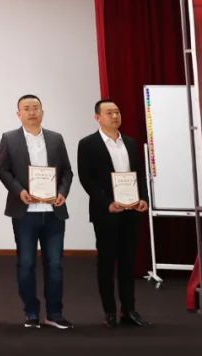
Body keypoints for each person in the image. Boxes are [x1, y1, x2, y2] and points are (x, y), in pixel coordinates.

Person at [0, 94, 74, 329]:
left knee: (55, 264)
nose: (32, 112)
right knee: (26, 263)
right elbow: (3, 171)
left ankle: (54, 313)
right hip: (25, 212)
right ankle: (31, 312)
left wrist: (62, 192)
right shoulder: (9, 138)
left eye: (36, 108)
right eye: (27, 108)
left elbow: (67, 171)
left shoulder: (56, 138)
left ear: (42, 112)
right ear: (18, 113)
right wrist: (19, 191)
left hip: (53, 211)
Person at [77, 99, 151, 328]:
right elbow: (87, 180)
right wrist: (107, 203)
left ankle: (129, 310)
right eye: (109, 113)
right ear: (97, 117)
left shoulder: (130, 142)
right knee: (107, 262)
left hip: (131, 210)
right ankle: (109, 311)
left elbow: (140, 175)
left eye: (117, 112)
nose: (115, 116)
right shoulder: (87, 144)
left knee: (128, 263)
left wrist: (144, 199)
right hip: (106, 212)